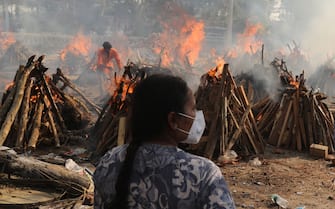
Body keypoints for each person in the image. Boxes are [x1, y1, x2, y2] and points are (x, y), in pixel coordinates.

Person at [93, 74, 236, 209]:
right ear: (173, 120)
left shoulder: (108, 163)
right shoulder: (202, 173)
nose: (196, 115)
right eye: (193, 108)